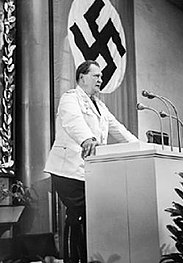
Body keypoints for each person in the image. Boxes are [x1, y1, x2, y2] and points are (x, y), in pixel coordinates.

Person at [44, 60, 138, 263]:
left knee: (89, 217)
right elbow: (73, 121)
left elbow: (119, 130)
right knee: (77, 214)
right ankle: (72, 259)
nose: (100, 79)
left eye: (101, 76)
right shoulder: (70, 98)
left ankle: (86, 257)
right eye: (96, 76)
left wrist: (141, 147)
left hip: (90, 171)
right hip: (67, 169)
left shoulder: (101, 105)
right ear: (82, 77)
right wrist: (87, 138)